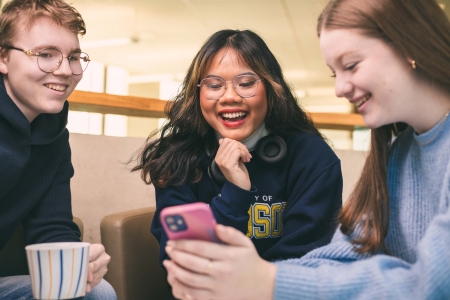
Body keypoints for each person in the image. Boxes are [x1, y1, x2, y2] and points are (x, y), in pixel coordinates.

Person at [161, 0, 450, 299]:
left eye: (351, 65)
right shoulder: (397, 151)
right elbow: (346, 253)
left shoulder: (316, 156)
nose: (340, 90)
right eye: (335, 74)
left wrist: (269, 279)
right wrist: (257, 277)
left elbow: (434, 287)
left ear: (411, 47)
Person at [133, 29, 342, 266]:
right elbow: (185, 263)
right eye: (214, 85)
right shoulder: (176, 158)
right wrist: (234, 195)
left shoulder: (312, 156)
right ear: (198, 93)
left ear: (271, 89)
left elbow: (308, 259)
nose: (230, 96)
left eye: (246, 83)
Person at [0, 0, 116, 299]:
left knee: (96, 291)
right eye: (46, 54)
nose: (65, 70)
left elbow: (51, 228)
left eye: (74, 57)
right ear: (2, 57)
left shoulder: (54, 138)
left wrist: (79, 261)